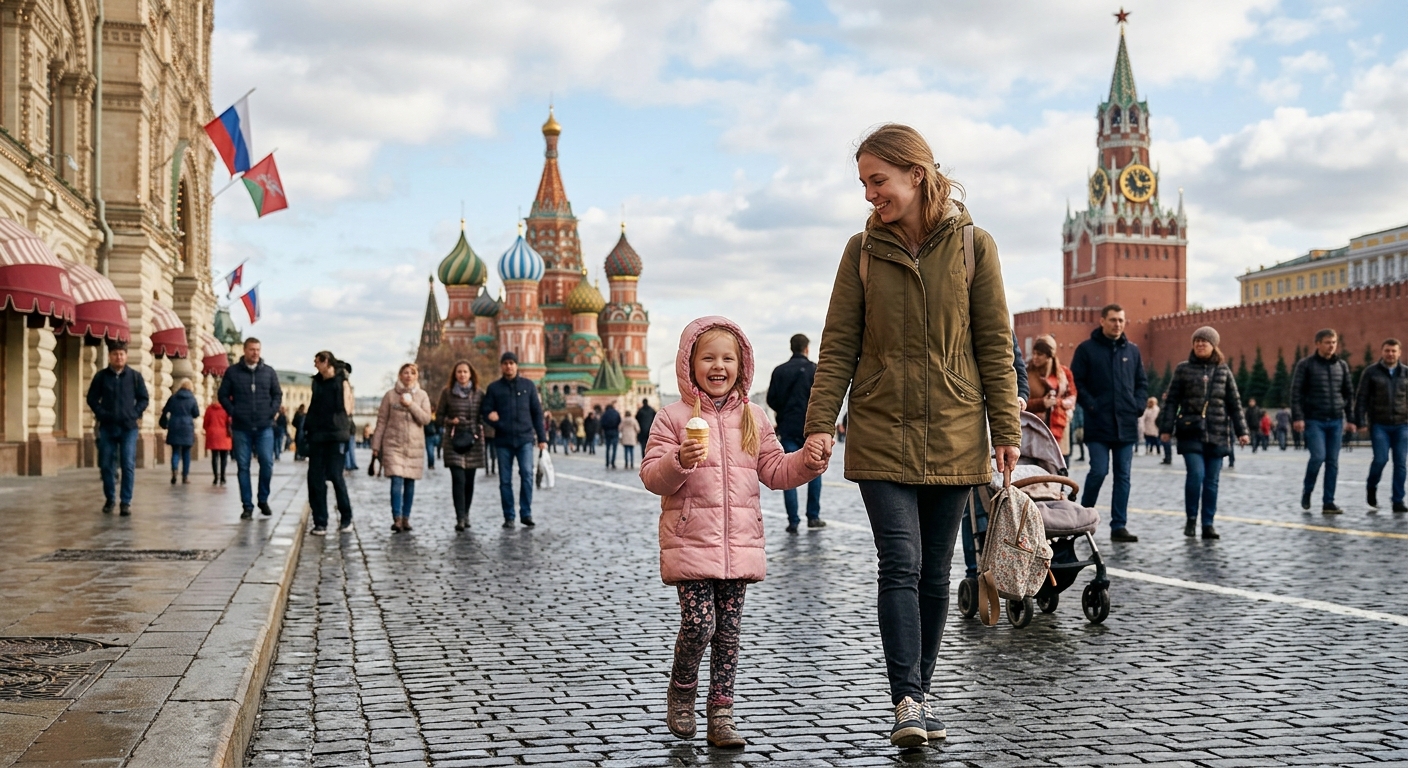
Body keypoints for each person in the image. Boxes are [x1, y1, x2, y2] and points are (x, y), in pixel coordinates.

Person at [802, 124, 1020, 747]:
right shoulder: (861, 252)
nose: (870, 195)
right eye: (865, 184)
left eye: (878, 181)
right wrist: (820, 424)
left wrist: (1005, 427)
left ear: (916, 175)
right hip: (879, 431)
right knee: (901, 562)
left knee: (934, 571)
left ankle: (918, 698)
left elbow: (993, 345)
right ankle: (905, 699)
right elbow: (838, 344)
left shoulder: (976, 246)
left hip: (955, 430)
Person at [642, 317, 825, 749]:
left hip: (739, 543)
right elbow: (653, 476)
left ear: (743, 366)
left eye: (728, 358)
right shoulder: (672, 418)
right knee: (700, 624)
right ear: (690, 363)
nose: (718, 366)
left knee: (728, 633)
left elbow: (775, 470)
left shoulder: (754, 417)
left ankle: (721, 715)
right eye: (708, 357)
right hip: (691, 542)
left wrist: (808, 463)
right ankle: (682, 686)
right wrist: (681, 460)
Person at [1157, 327, 1249, 540]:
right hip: (1190, 431)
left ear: (1213, 345)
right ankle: (1191, 519)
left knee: (1212, 481)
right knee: (1196, 475)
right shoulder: (1183, 369)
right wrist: (1165, 429)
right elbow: (1171, 401)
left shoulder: (1223, 371)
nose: (1200, 344)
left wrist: (1242, 431)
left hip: (1217, 433)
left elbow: (1234, 403)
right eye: (1197, 341)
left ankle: (1208, 523)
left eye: (1204, 341)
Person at [1071, 304, 1148, 542]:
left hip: (1125, 423)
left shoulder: (1132, 351)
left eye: (1121, 320)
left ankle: (1119, 526)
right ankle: (1081, 519)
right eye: (1113, 320)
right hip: (1098, 423)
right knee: (1099, 470)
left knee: (1123, 475)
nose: (1118, 324)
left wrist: (1138, 406)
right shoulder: (1087, 350)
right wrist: (1092, 405)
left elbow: (1141, 383)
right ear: (1102, 321)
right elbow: (1077, 383)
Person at [1291, 329, 1356, 513]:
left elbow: (1348, 394)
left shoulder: (1341, 365)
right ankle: (1308, 490)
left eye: (1334, 342)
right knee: (1318, 457)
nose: (1331, 346)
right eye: (1328, 342)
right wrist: (1298, 417)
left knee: (1333, 462)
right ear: (1318, 343)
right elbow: (1296, 393)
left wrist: (1350, 419)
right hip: (1314, 420)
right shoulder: (1306, 365)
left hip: (1335, 419)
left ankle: (1329, 502)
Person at [217, 338, 283, 520]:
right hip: (241, 427)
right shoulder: (233, 372)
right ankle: (247, 505)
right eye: (252, 349)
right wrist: (233, 412)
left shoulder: (268, 372)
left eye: (258, 350)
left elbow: (277, 394)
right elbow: (222, 395)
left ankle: (263, 499)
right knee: (243, 466)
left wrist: (271, 411)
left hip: (264, 426)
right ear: (245, 350)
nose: (255, 353)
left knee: (267, 464)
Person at [481, 351, 548, 527]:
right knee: (505, 480)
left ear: (517, 365)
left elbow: (536, 412)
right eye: (505, 363)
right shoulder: (494, 388)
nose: (508, 366)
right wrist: (490, 417)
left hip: (525, 438)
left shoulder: (528, 386)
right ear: (501, 366)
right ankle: (509, 516)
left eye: (511, 363)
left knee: (526, 474)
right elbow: (485, 411)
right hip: (503, 440)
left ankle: (526, 512)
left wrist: (542, 437)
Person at [767, 332, 825, 532]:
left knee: (787, 471)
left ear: (791, 348)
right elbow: (822, 400)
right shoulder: (814, 370)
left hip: (788, 427)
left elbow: (771, 400)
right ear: (807, 348)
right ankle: (813, 516)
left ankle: (793, 520)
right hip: (810, 428)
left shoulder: (779, 371)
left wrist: (783, 411)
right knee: (815, 470)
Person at [87, 343, 149, 515]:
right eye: (115, 354)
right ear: (110, 356)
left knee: (128, 464)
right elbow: (92, 399)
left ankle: (126, 502)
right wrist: (102, 413)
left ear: (126, 356)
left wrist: (134, 413)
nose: (118, 357)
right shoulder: (101, 377)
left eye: (121, 354)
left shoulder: (135, 377)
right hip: (107, 427)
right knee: (106, 465)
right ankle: (110, 498)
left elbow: (144, 398)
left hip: (129, 428)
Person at [373, 363, 433, 532]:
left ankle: (406, 517)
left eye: (412, 373)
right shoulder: (390, 396)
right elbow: (382, 421)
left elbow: (426, 419)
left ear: (416, 376)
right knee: (396, 480)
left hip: (414, 446)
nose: (408, 375)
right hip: (393, 445)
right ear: (400, 375)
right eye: (405, 372)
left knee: (409, 483)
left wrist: (411, 405)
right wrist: (376, 445)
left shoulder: (422, 396)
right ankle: (397, 518)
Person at [305, 351, 356, 535]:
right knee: (315, 479)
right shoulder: (317, 382)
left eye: (317, 362)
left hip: (336, 435)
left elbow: (347, 408)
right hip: (318, 435)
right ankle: (320, 522)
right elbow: (313, 406)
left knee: (336, 476)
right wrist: (308, 428)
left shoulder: (341, 381)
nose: (315, 365)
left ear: (326, 362)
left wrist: (342, 428)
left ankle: (346, 518)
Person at [1355, 338, 1408, 513]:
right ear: (1382, 351)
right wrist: (1361, 421)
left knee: (1400, 463)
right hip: (1380, 424)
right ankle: (1371, 487)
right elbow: (1361, 398)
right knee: (1381, 459)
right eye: (1387, 350)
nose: (1390, 354)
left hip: (1402, 425)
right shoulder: (1371, 372)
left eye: (1394, 351)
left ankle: (1398, 500)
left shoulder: (1406, 373)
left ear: (1399, 353)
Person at [436, 360, 487, 531]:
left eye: (465, 372)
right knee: (458, 479)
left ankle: (466, 513)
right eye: (459, 372)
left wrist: (479, 427)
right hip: (454, 441)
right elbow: (439, 416)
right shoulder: (447, 393)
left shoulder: (479, 394)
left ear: (471, 374)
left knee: (469, 481)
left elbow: (483, 416)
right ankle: (459, 517)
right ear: (455, 374)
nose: (462, 375)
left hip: (473, 440)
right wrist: (451, 421)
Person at [1025, 337, 1076, 444]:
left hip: (1060, 427)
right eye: (1034, 353)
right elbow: (1020, 402)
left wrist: (1058, 402)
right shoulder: (1026, 374)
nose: (1035, 357)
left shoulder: (1064, 373)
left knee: (1060, 460)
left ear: (1049, 356)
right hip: (1032, 429)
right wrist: (1041, 403)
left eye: (1039, 354)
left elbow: (1072, 396)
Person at [161, 379, 200, 484]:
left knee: (175, 451)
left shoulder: (173, 398)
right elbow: (196, 413)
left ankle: (174, 471)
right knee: (186, 453)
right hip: (187, 427)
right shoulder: (192, 399)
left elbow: (165, 410)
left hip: (174, 425)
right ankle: (185, 476)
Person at [204, 399, 232, 485]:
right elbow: (230, 421)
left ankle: (215, 477)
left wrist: (209, 430)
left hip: (213, 434)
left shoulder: (209, 408)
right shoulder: (227, 408)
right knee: (224, 458)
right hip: (224, 435)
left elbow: (205, 423)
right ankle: (223, 477)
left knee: (214, 457)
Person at [601, 402, 622, 469]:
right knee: (614, 448)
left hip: (607, 431)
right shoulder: (616, 413)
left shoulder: (604, 414)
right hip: (615, 431)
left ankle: (607, 463)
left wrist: (605, 429)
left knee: (607, 448)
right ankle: (613, 462)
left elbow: (602, 423)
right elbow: (619, 421)